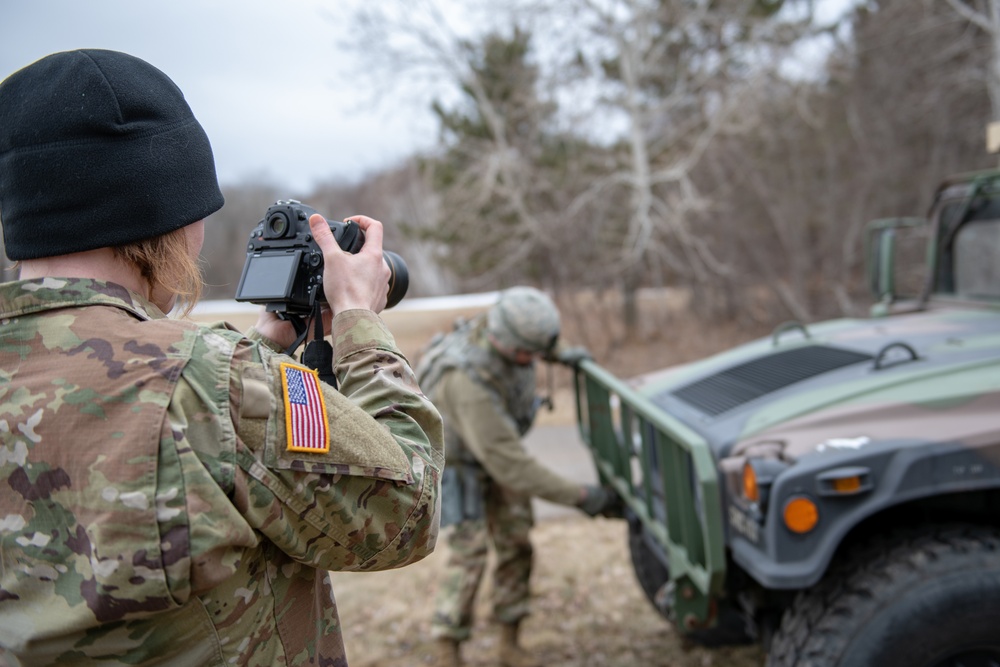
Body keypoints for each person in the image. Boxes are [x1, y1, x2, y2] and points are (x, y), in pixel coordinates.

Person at [0, 49, 443, 666]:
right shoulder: (217, 380)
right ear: (164, 212)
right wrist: (360, 325)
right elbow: (406, 513)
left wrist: (265, 351)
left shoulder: (219, 379)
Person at [416, 286, 616, 667]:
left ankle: (509, 639)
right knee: (469, 554)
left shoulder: (511, 332)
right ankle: (449, 647)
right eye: (527, 353)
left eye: (537, 352)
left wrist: (562, 354)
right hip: (463, 463)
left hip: (497, 446)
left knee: (517, 542)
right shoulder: (466, 379)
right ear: (500, 341)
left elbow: (538, 343)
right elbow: (512, 465)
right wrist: (583, 497)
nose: (532, 360)